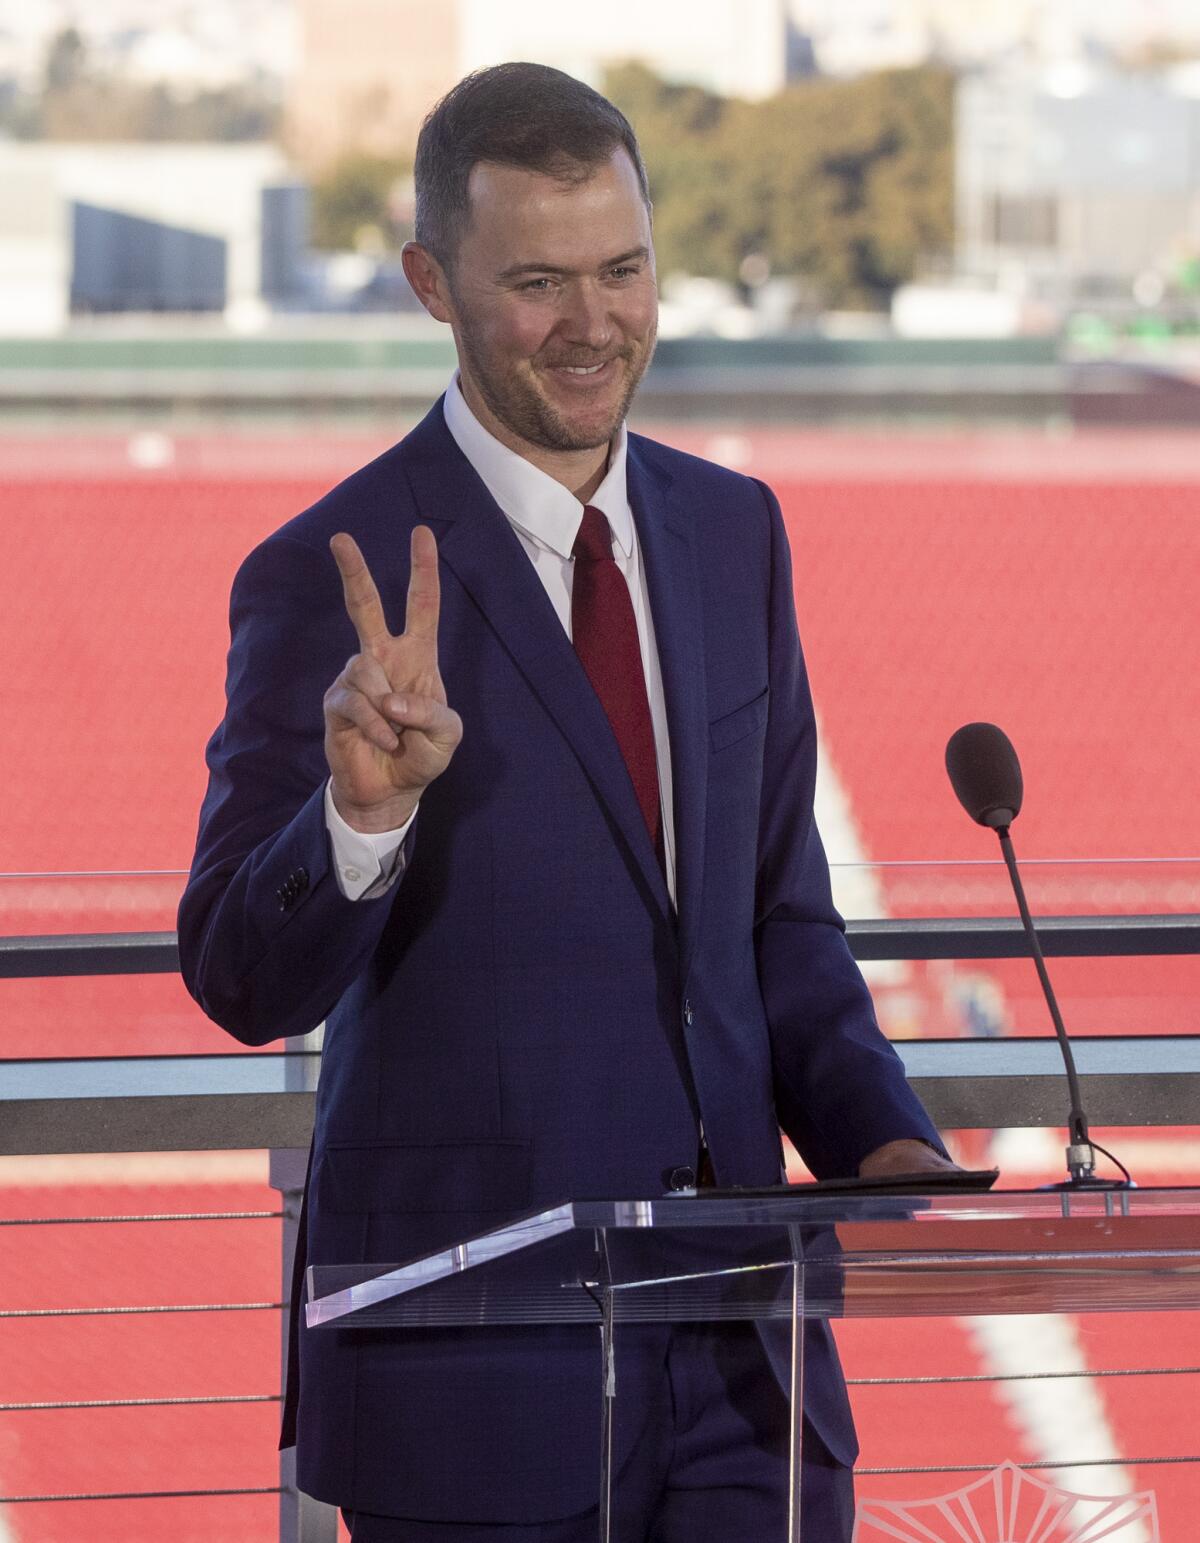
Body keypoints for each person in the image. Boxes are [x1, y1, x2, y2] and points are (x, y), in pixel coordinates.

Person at [179, 61, 957, 1542]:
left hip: (750, 1384)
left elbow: (776, 913)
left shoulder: (736, 533)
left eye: (623, 270)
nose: (594, 324)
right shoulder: (323, 570)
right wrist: (358, 820)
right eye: (537, 282)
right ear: (431, 282)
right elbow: (236, 974)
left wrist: (883, 1138)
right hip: (472, 1395)